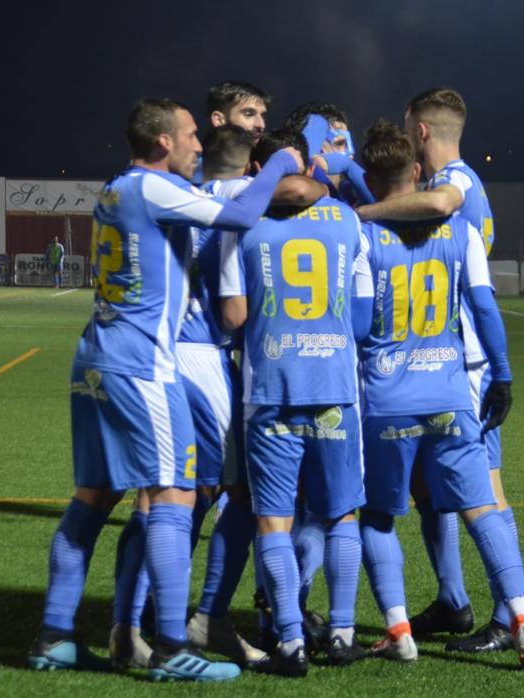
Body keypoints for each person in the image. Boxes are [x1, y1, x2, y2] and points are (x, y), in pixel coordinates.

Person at [28, 97, 301, 682]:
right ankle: (174, 646)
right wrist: (277, 166)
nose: (199, 146)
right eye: (189, 137)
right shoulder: (150, 188)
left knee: (92, 499)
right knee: (174, 497)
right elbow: (238, 216)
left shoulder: (114, 190)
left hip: (95, 359)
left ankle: (54, 636)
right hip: (143, 366)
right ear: (161, 144)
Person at [353, 119, 524, 668]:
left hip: (387, 399)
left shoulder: (364, 234)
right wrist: (503, 375)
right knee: (484, 508)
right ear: (417, 171)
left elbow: (361, 324)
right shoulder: (460, 229)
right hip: (451, 394)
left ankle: (398, 631)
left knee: (377, 518)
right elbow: (484, 308)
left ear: (369, 180)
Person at [219, 128, 374, 676]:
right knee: (341, 514)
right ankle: (341, 631)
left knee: (273, 522)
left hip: (269, 390)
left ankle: (288, 641)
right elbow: (360, 320)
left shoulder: (243, 221)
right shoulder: (348, 220)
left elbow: (234, 316)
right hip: (334, 387)